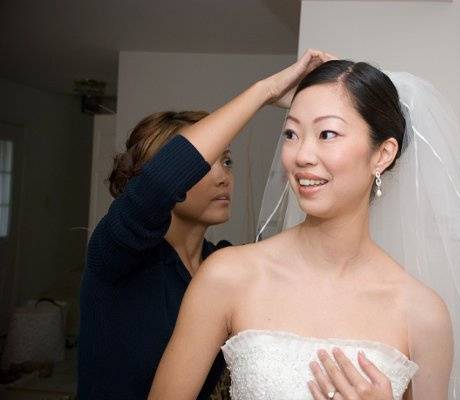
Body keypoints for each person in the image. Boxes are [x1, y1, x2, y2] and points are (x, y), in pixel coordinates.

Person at [149, 61, 456, 400]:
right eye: (291, 134)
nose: (302, 155)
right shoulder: (228, 275)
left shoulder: (423, 313)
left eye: (327, 134)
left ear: (382, 154)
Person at [77, 49, 333, 399]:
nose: (223, 177)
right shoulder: (116, 255)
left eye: (226, 161)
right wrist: (265, 92)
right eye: (205, 164)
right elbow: (160, 184)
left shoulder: (223, 265)